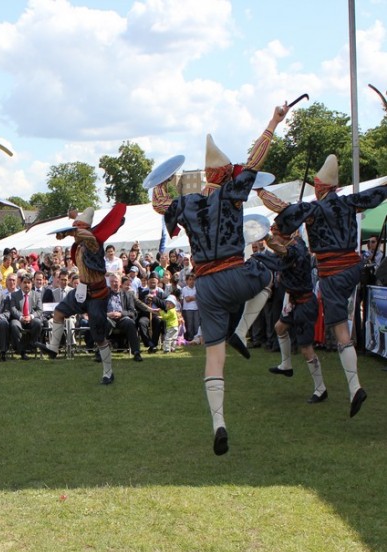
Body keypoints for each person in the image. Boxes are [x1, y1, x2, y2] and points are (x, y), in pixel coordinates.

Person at [151, 103, 289, 455]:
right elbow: (255, 161)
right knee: (267, 267)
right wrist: (273, 120)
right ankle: (241, 332)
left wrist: (159, 181)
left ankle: (219, 423)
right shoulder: (233, 192)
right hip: (234, 273)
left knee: (214, 358)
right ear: (227, 174)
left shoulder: (189, 202)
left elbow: (160, 204)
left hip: (206, 286)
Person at [263, 154, 387, 416]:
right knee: (343, 325)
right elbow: (376, 195)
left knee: (341, 332)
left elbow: (283, 211)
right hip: (353, 270)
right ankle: (349, 384)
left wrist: (259, 190)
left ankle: (355, 387)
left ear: (320, 187)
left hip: (332, 273)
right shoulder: (349, 202)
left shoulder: (314, 209)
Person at [36, 204, 127, 385]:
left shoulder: (93, 241)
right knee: (59, 313)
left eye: (79, 227)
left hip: (98, 294)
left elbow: (82, 234)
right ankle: (53, 348)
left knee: (99, 336)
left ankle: (108, 372)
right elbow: (77, 235)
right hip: (82, 290)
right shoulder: (79, 245)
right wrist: (65, 232)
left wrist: (71, 224)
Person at [256, 220, 328, 404]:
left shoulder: (296, 251)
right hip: (294, 301)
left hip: (304, 303)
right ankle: (286, 365)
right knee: (280, 328)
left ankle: (320, 389)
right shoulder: (295, 245)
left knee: (306, 349)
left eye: (276, 234)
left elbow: (278, 258)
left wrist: (262, 244)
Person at [8, 274, 43, 359]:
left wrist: (30, 316)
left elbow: (39, 310)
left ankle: (31, 345)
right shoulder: (14, 295)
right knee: (14, 325)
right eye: (24, 282)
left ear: (32, 284)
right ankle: (21, 351)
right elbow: (13, 309)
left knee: (38, 323)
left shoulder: (37, 295)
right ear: (20, 284)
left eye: (29, 283)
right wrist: (21, 317)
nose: (26, 285)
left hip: (31, 319)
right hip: (19, 319)